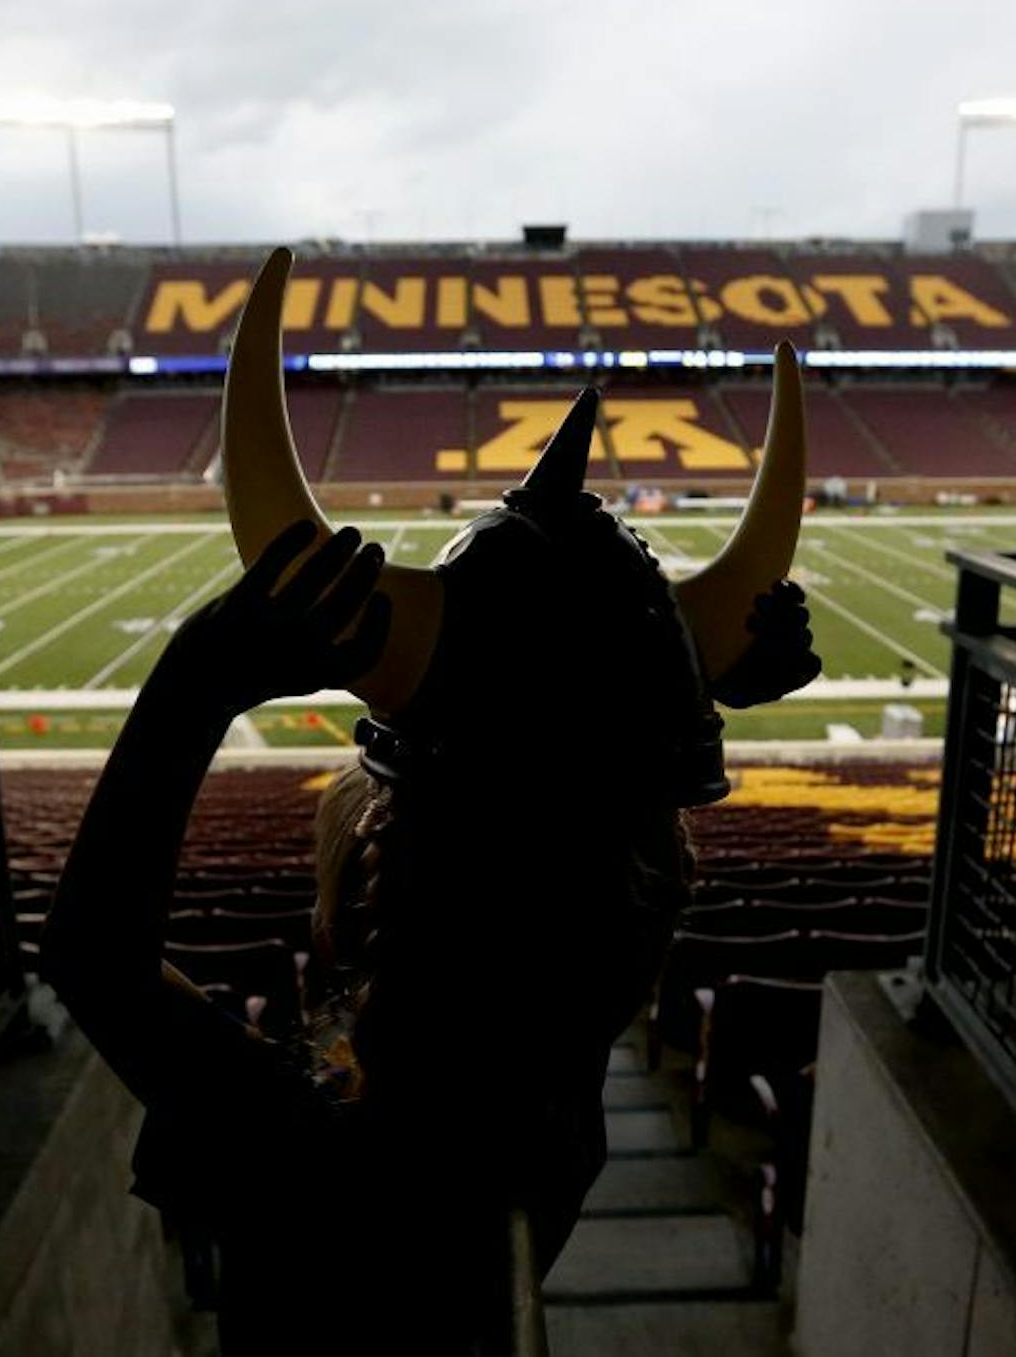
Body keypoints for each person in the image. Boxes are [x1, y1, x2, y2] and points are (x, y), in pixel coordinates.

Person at [44, 247, 821, 1353]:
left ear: (376, 891)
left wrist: (203, 665)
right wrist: (666, 695)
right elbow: (570, 839)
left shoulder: (314, 1148)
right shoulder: (559, 1081)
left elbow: (91, 954)